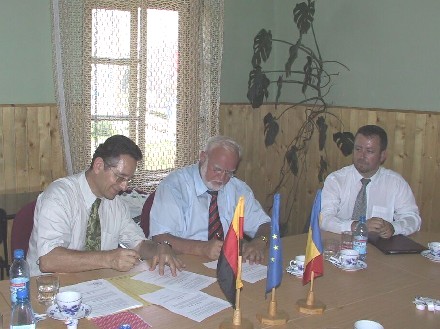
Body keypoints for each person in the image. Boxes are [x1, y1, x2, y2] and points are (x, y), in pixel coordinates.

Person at [27, 135, 185, 277]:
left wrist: (160, 248)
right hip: (47, 289)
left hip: (96, 287)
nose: (124, 187)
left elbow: (139, 244)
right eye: (120, 177)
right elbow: (48, 260)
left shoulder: (115, 204)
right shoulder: (59, 196)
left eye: (128, 180)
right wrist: (108, 259)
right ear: (98, 166)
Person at [149, 136, 271, 263]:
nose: (222, 178)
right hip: (184, 262)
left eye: (229, 172)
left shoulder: (238, 189)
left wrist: (260, 241)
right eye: (217, 169)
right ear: (203, 157)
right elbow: (160, 238)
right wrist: (201, 248)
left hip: (225, 264)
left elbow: (265, 225)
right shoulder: (174, 186)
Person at [321, 125, 421, 238]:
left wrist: (394, 228)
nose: (361, 156)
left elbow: (413, 218)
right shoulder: (336, 180)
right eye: (358, 149)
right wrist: (358, 226)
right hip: (341, 245)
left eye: (369, 151)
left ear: (382, 156)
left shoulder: (395, 183)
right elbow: (324, 219)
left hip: (380, 249)